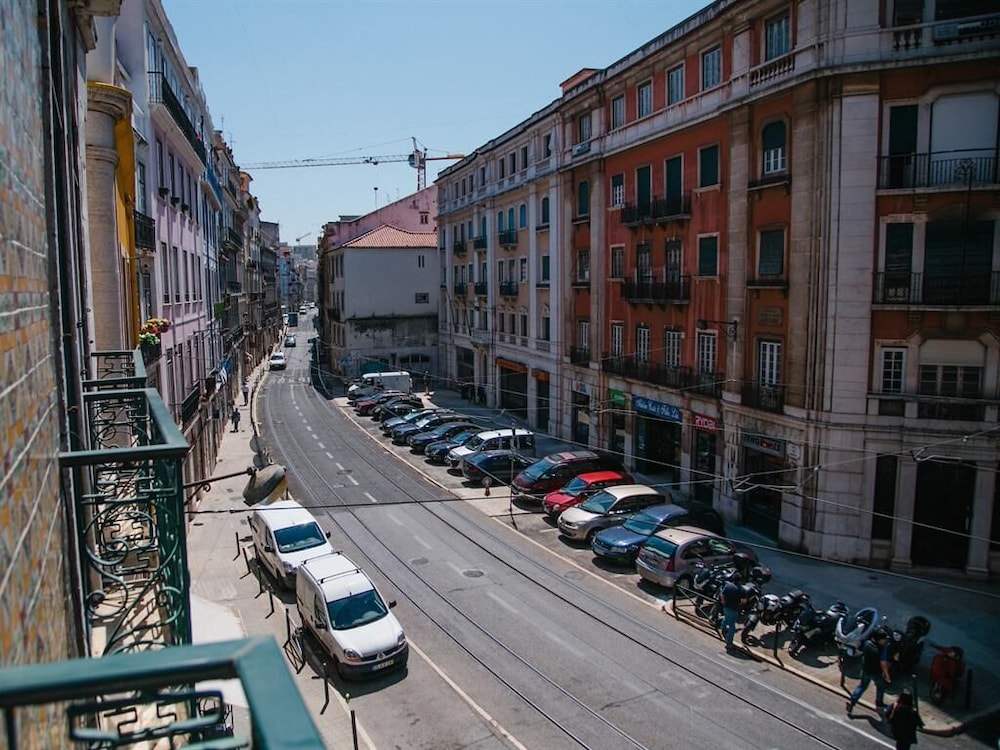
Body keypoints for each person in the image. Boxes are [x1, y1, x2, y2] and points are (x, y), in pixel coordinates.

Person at [847, 629, 891, 715]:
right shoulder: (881, 649)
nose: (885, 640)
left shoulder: (867, 643)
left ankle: (852, 701)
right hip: (876, 672)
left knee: (862, 686)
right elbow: (883, 663)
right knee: (881, 687)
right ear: (880, 639)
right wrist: (886, 675)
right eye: (884, 639)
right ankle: (879, 703)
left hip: (865, 669)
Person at [721, 579, 744, 654]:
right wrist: (740, 604)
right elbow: (744, 600)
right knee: (732, 626)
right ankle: (729, 643)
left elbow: (722, 594)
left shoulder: (728, 586)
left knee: (726, 617)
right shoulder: (741, 589)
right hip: (734, 609)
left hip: (726, 606)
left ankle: (723, 630)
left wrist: (723, 602)